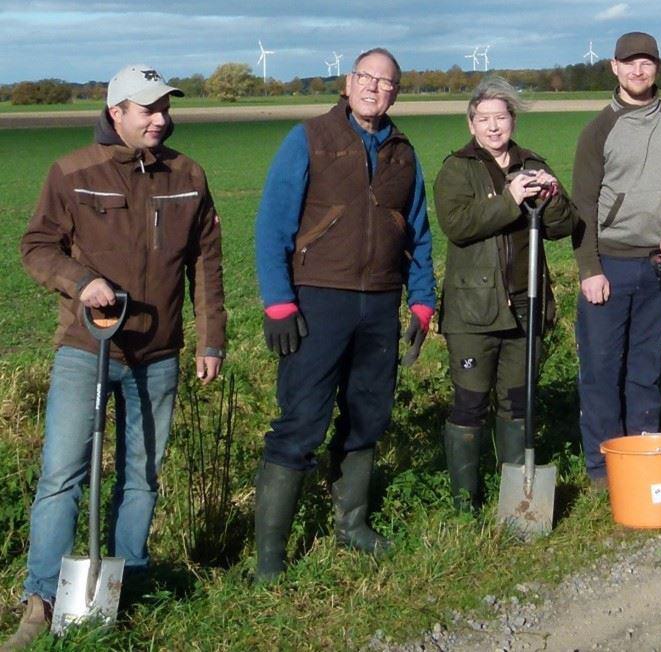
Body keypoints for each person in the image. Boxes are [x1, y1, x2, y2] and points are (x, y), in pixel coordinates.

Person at [12, 65, 225, 647]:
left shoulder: (187, 175)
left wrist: (211, 339)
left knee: (143, 478)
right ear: (117, 114)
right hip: (88, 349)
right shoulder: (73, 172)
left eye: (165, 109)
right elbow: (37, 247)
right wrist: (81, 281)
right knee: (62, 475)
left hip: (159, 353)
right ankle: (42, 598)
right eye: (148, 109)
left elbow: (206, 262)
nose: (161, 119)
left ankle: (124, 584)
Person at [252, 48, 436, 582]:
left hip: (379, 303)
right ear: (348, 82)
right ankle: (270, 559)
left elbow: (418, 233)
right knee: (301, 421)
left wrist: (422, 301)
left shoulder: (403, 152)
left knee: (367, 417)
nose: (375, 88)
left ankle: (350, 526)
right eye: (366, 78)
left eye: (387, 82)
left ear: (396, 92)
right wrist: (279, 301)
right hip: (317, 302)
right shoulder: (308, 138)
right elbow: (272, 226)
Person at [432, 78, 575, 509]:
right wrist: (511, 198)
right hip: (473, 309)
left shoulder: (532, 162)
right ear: (471, 124)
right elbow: (457, 224)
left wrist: (550, 196)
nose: (494, 127)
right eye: (484, 119)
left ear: (513, 120)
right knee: (470, 402)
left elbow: (562, 227)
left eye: (502, 117)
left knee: (517, 403)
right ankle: (464, 503)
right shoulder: (457, 168)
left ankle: (516, 499)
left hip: (525, 304)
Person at [572, 32, 661, 487]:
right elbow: (582, 205)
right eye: (630, 63)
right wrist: (590, 269)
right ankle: (602, 467)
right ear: (614, 67)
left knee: (646, 369)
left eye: (646, 63)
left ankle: (642, 455)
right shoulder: (599, 130)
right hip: (609, 265)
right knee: (602, 370)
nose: (638, 71)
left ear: (657, 68)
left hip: (658, 267)